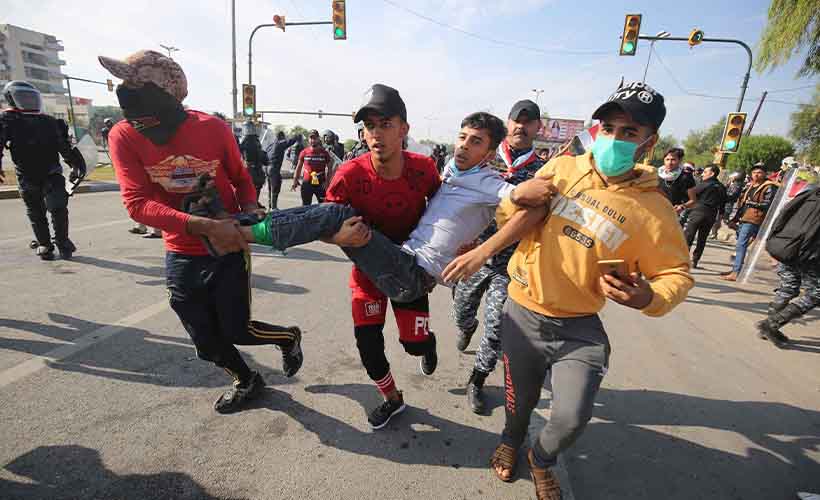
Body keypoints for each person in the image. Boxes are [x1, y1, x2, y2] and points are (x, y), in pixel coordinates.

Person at [443, 81, 693, 500]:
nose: (614, 138)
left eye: (629, 132)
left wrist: (649, 297)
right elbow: (510, 212)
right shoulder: (562, 169)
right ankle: (510, 439)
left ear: (649, 143)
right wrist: (519, 197)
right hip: (521, 312)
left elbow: (677, 274)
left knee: (573, 416)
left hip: (578, 327)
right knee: (518, 402)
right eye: (609, 127)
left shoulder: (655, 210)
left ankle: (541, 460)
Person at [100, 49, 303, 414]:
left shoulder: (212, 128)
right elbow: (136, 203)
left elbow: (241, 179)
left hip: (227, 245)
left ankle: (288, 337)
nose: (139, 119)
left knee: (238, 330)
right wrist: (199, 225)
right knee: (206, 342)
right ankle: (247, 380)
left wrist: (251, 208)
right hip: (180, 249)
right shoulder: (123, 135)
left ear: (171, 96)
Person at [452, 99, 546, 415]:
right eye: (516, 119)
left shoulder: (543, 171)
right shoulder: (483, 158)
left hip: (512, 264)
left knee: (496, 329)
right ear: (508, 123)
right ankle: (465, 325)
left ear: (538, 127)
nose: (521, 125)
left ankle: (476, 380)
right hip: (472, 254)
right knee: (461, 311)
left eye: (529, 121)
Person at [0, 80, 86, 260]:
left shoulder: (50, 121)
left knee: (58, 208)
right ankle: (45, 244)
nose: (29, 101)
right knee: (36, 211)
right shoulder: (7, 120)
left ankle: (62, 242)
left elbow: (64, 146)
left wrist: (76, 164)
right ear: (11, 99)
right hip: (26, 174)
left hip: (52, 172)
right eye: (23, 97)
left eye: (31, 97)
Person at [757, 184, 820, 347]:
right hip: (810, 253)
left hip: (787, 244)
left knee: (789, 286)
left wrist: (774, 240)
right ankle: (772, 324)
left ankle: (769, 326)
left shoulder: (810, 188)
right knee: (816, 293)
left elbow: (784, 212)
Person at [721, 164, 778, 281]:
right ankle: (736, 270)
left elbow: (769, 205)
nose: (756, 175)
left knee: (741, 244)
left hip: (755, 219)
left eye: (759, 173)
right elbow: (743, 204)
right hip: (746, 218)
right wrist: (735, 219)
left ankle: (736, 272)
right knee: (741, 243)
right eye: (754, 173)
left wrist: (752, 203)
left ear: (765, 174)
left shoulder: (769, 187)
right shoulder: (750, 186)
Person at [680, 164, 727, 268]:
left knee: (688, 236)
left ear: (712, 174)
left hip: (698, 212)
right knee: (702, 239)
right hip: (712, 215)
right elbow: (723, 205)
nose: (702, 175)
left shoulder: (704, 184)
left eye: (705, 172)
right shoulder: (722, 187)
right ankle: (695, 260)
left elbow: (691, 194)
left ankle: (683, 259)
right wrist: (719, 220)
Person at [291, 129, 332, 206]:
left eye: (315, 138)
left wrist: (327, 182)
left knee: (323, 206)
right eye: (311, 138)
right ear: (308, 139)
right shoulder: (304, 152)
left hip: (321, 184)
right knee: (305, 207)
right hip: (307, 184)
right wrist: (295, 180)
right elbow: (298, 167)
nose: (313, 140)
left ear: (318, 139)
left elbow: (330, 169)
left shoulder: (324, 153)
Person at [265, 130, 300, 210]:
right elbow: (289, 142)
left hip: (267, 168)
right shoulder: (279, 144)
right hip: (274, 169)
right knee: (275, 188)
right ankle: (273, 208)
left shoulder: (271, 145)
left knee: (270, 188)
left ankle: (270, 206)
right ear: (281, 137)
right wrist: (296, 136)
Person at [239, 121, 268, 202]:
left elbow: (261, 155)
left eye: (250, 127)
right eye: (248, 128)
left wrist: (264, 156)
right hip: (250, 167)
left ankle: (255, 202)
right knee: (251, 188)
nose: (249, 130)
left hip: (256, 168)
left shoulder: (255, 140)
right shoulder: (245, 141)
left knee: (256, 186)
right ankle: (253, 202)